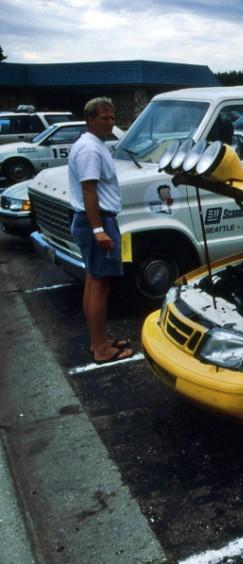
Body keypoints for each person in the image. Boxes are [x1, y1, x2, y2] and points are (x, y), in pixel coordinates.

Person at [68, 97, 133, 364]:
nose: (110, 122)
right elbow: (89, 191)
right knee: (100, 284)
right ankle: (101, 348)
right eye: (104, 118)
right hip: (97, 221)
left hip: (97, 220)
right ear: (90, 119)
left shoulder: (94, 145)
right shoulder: (90, 150)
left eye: (112, 117)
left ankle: (100, 341)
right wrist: (98, 229)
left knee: (93, 281)